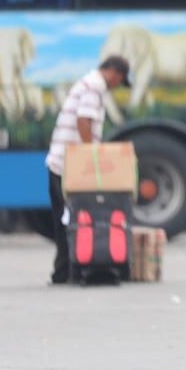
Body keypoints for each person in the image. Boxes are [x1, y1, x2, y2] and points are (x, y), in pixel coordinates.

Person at [45, 55, 131, 284]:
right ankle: (68, 271)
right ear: (114, 73)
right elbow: (84, 120)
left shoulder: (87, 83)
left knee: (64, 219)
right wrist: (91, 156)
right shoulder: (94, 87)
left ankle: (63, 272)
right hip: (68, 166)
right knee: (71, 219)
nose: (116, 86)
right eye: (119, 81)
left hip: (62, 162)